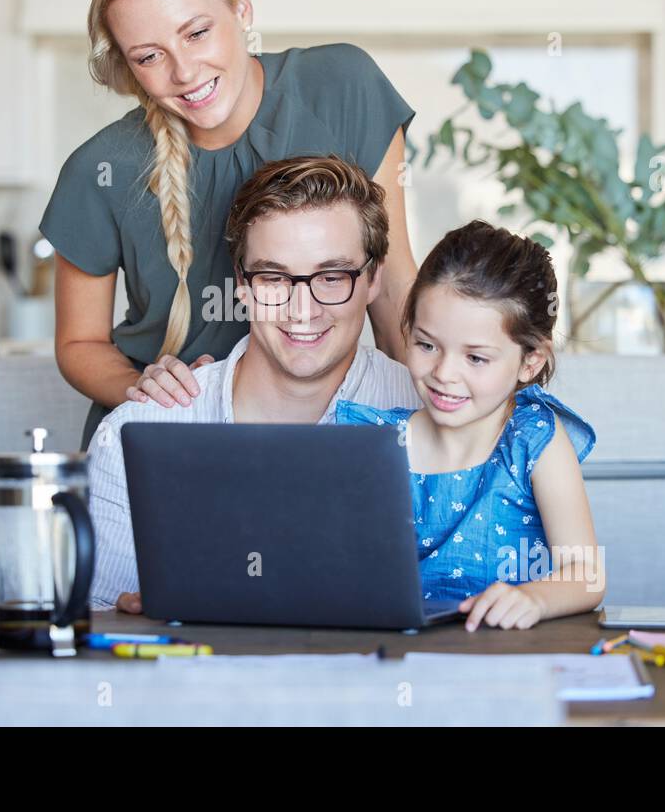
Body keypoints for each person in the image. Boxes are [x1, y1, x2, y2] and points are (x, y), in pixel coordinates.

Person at [39, 0, 418, 450]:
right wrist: (140, 385)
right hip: (167, 436)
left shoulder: (342, 88)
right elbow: (80, 342)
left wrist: (443, 420)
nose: (186, 72)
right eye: (149, 57)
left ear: (240, 6)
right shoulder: (98, 169)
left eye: (196, 32)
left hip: (329, 431)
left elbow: (394, 290)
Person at [87, 155, 421, 612]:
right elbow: (98, 620)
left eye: (331, 277)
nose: (302, 309)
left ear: (374, 278)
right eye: (274, 278)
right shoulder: (135, 430)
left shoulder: (432, 413)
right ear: (242, 284)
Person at [337, 220, 606, 631]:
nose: (444, 373)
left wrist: (534, 597)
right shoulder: (369, 439)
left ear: (530, 362)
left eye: (476, 358)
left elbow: (585, 572)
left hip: (503, 664)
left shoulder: (534, 441)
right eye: (427, 345)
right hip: (393, 663)